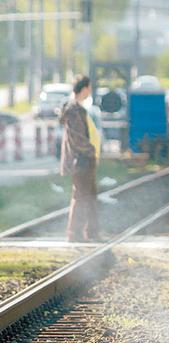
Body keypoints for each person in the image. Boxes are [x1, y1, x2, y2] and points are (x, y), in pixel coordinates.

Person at [59, 75, 99, 242]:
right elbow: (78, 138)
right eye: (90, 87)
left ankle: (90, 232)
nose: (91, 91)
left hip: (84, 160)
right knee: (82, 197)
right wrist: (91, 151)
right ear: (84, 88)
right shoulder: (74, 111)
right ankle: (75, 234)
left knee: (89, 197)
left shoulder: (76, 109)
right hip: (81, 160)